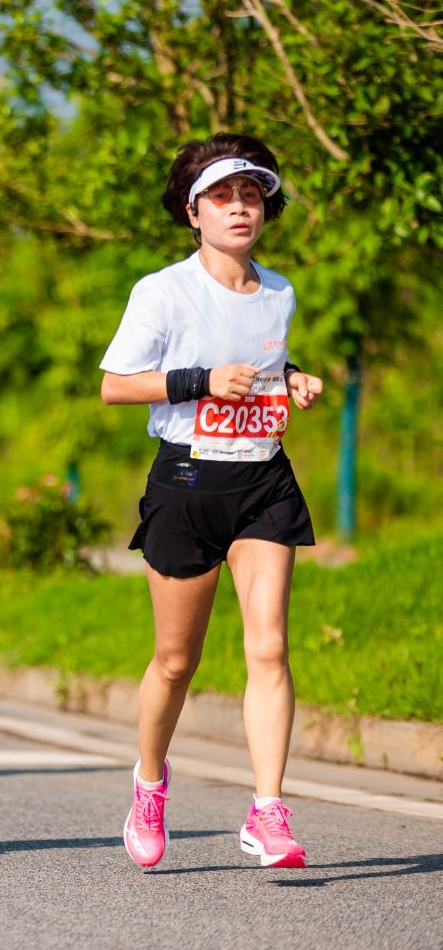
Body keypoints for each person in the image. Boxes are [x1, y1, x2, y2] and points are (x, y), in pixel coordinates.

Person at [100, 134, 323, 871]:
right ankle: (149, 784)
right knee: (174, 661)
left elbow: (259, 358)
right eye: (223, 197)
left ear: (267, 209)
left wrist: (289, 378)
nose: (240, 208)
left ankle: (267, 812)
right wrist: (198, 383)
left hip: (262, 480)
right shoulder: (162, 291)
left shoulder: (281, 290)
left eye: (252, 195)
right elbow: (116, 384)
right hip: (187, 484)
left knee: (269, 646)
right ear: (193, 211)